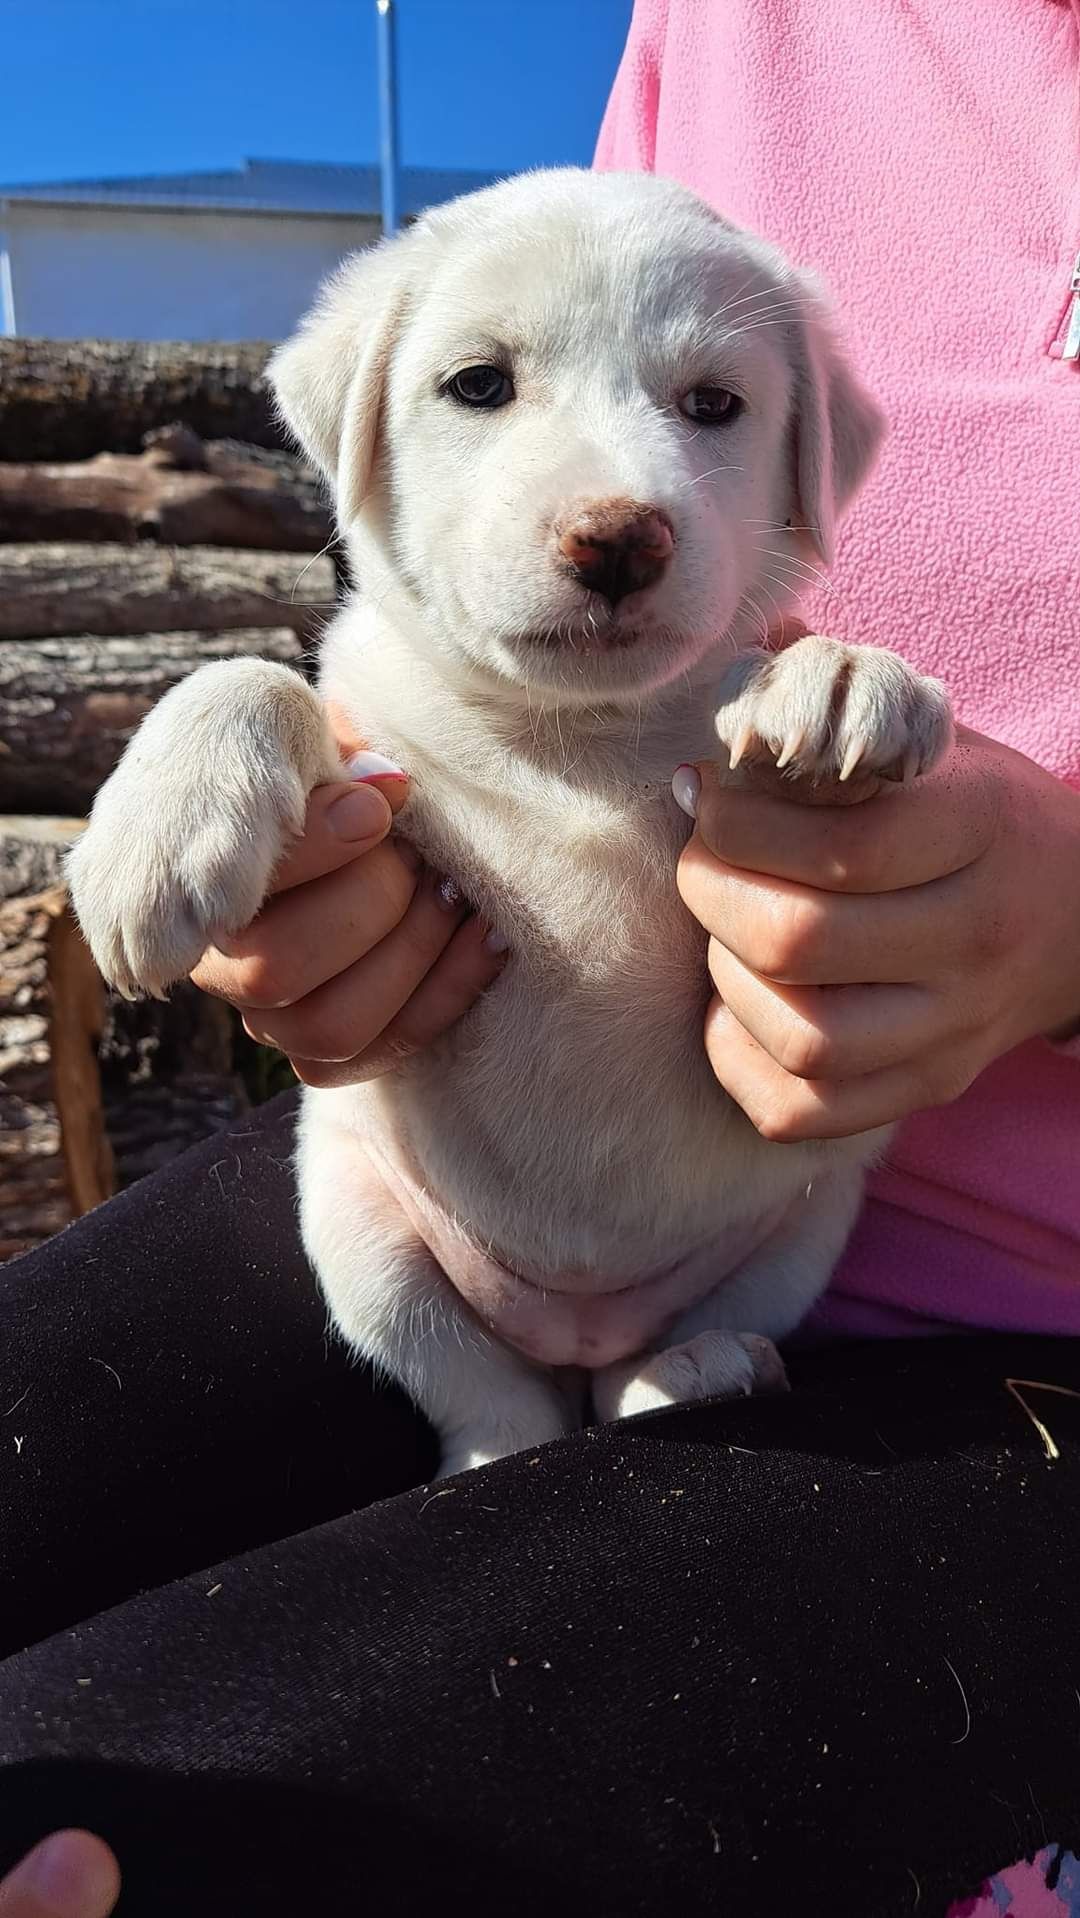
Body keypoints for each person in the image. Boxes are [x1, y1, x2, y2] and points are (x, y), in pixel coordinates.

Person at [2, 5, 1080, 1913]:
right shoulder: (744, 20)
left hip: (949, 1327)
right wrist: (279, 852)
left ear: (814, 457)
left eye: (714, 406)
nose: (620, 495)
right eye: (483, 385)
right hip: (444, 1219)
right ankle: (495, 1420)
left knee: (182, 1843)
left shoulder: (772, 665)